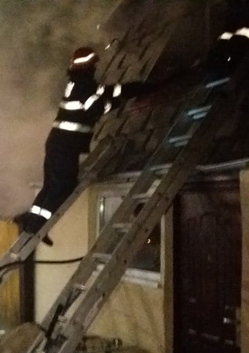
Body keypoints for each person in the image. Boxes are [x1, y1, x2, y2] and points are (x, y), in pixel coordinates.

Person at [14, 46, 154, 244]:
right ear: (89, 66)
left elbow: (107, 91)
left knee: (51, 185)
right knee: (63, 185)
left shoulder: (79, 84)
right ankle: (37, 224)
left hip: (57, 143)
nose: (96, 68)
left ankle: (31, 221)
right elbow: (97, 108)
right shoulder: (84, 86)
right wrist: (120, 101)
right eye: (94, 65)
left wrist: (132, 89)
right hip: (66, 146)